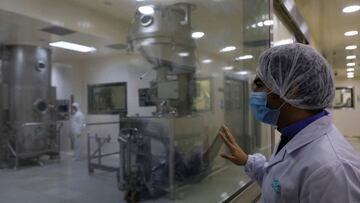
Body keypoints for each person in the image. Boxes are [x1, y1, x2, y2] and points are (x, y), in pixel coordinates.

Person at [219, 43, 360, 202]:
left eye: (259, 85)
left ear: (291, 89)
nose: (253, 93)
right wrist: (247, 161)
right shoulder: (293, 134)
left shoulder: (333, 171)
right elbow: (280, 185)